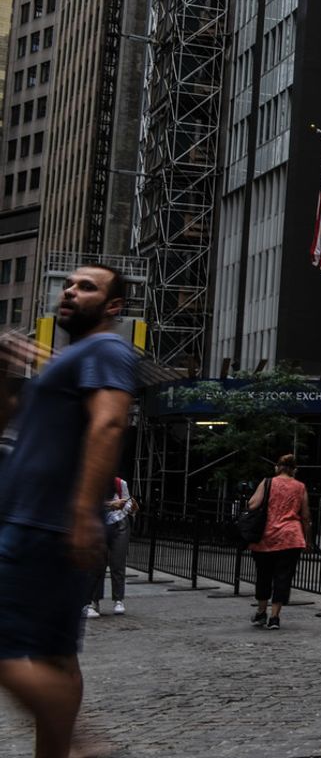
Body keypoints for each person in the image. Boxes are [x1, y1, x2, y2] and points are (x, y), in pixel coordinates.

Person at [0, 264, 138, 758]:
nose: (70, 291)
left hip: (41, 524)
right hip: (37, 521)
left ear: (113, 307)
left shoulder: (106, 349)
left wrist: (83, 513)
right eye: (69, 284)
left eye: (87, 287)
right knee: (54, 656)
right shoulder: (68, 359)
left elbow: (109, 425)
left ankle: (83, 746)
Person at [248, 454, 311, 631]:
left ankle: (261, 612)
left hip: (266, 536)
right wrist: (307, 538)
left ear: (277, 468)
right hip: (291, 537)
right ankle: (275, 617)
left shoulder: (267, 483)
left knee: (264, 575)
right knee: (283, 576)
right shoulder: (300, 487)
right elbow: (305, 515)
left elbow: (253, 505)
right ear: (294, 470)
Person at [85, 476, 134, 618]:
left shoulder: (120, 483)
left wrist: (126, 507)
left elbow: (128, 502)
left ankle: (118, 600)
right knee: (98, 564)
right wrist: (112, 504)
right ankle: (93, 601)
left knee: (117, 563)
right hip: (100, 524)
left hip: (119, 522)